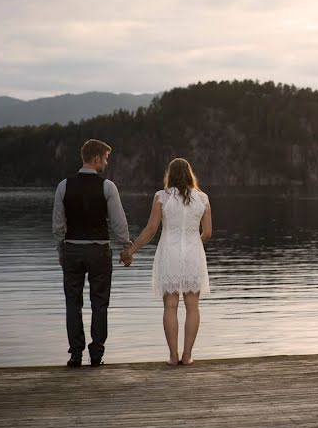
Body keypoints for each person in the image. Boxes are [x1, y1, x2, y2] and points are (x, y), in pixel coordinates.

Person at [121, 158, 212, 366]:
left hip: (169, 252)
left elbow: (151, 230)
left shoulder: (161, 197)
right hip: (193, 253)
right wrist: (194, 243)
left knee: (170, 306)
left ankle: (173, 356)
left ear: (169, 175)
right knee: (192, 306)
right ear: (190, 174)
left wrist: (130, 251)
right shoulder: (203, 199)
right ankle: (187, 356)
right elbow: (207, 233)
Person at [52, 139, 132, 368]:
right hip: (99, 250)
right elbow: (118, 222)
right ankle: (96, 353)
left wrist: (61, 249)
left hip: (72, 250)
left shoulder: (63, 186)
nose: (106, 162)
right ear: (96, 158)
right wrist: (126, 246)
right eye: (105, 158)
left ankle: (76, 353)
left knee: (72, 303)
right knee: (99, 303)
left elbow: (58, 225)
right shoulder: (107, 187)